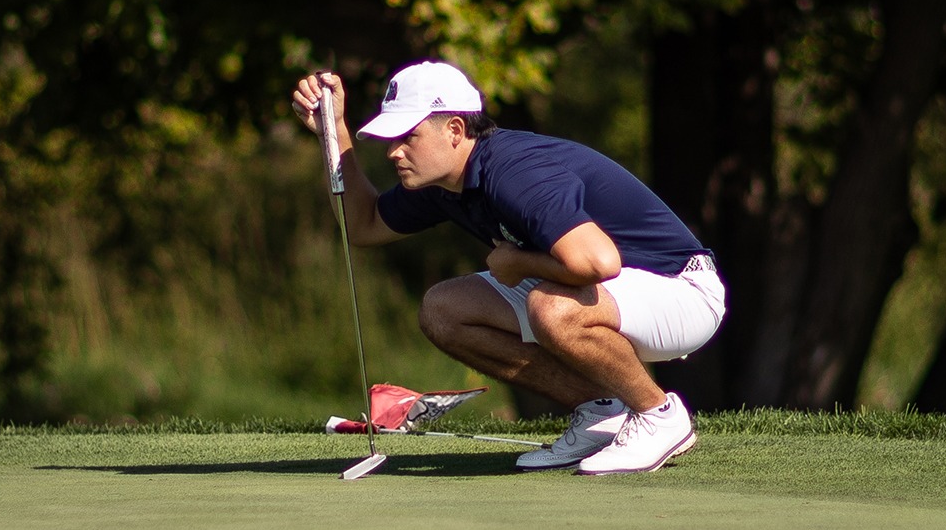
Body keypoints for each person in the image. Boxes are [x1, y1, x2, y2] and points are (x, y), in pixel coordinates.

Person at [291, 60, 726, 474]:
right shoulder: (442, 182)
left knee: (551, 308)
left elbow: (599, 260)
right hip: (610, 294)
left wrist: (518, 262)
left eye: (408, 137)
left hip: (682, 290)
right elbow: (363, 226)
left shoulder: (514, 169)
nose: (394, 152)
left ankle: (659, 415)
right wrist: (333, 132)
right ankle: (601, 413)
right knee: (444, 309)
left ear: (455, 130)